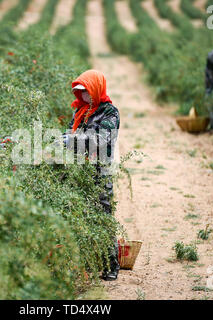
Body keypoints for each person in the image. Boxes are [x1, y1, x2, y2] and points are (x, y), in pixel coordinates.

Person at [62, 69, 120, 281]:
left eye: (86, 91)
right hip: (80, 171)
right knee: (81, 216)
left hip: (99, 172)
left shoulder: (110, 113)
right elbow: (71, 134)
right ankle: (87, 262)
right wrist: (62, 141)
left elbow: (101, 139)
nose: (83, 95)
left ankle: (111, 265)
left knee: (103, 216)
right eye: (79, 92)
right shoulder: (80, 111)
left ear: (95, 89)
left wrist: (72, 141)